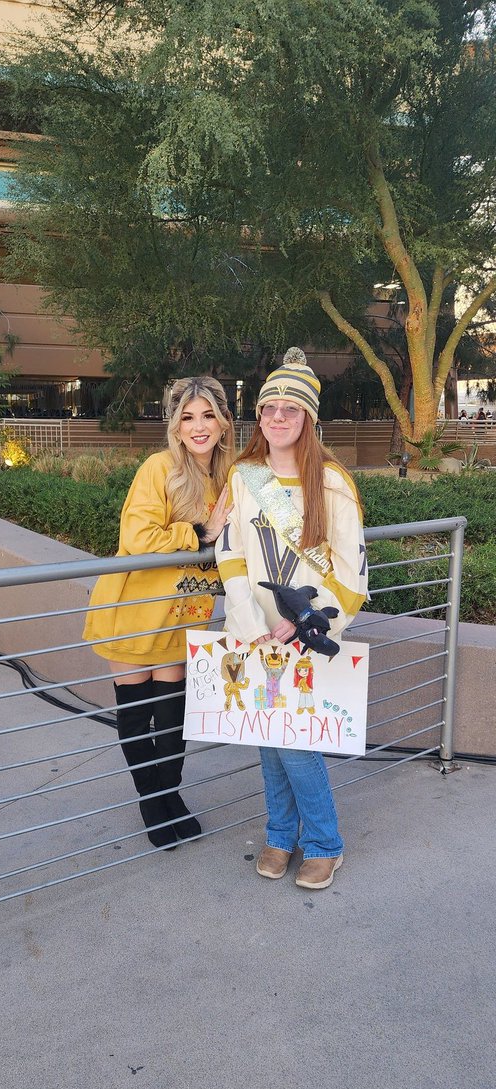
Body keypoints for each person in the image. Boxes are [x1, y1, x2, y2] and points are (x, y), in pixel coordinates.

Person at [215, 348, 368, 890]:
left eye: (290, 409)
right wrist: (244, 618)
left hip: (305, 635)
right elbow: (230, 553)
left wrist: (308, 620)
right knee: (269, 738)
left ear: (309, 419)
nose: (277, 417)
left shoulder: (332, 483)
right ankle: (281, 836)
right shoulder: (244, 476)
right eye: (268, 408)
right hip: (253, 631)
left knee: (296, 743)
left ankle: (324, 843)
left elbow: (351, 569)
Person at [83, 377, 235, 850]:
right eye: (187, 416)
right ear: (175, 423)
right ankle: (154, 804)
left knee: (172, 721)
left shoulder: (232, 473)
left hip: (185, 611)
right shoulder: (160, 467)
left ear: (224, 420)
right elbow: (138, 539)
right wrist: (202, 530)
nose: (198, 426)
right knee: (136, 717)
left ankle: (169, 795)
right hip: (134, 610)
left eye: (208, 414)